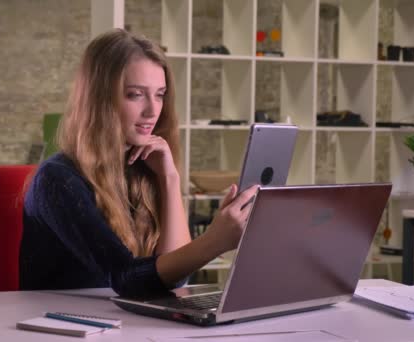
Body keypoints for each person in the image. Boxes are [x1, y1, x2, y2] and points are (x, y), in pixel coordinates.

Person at [19, 29, 258, 297]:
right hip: (64, 328)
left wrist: (169, 179)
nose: (153, 110)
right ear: (100, 100)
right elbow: (125, 278)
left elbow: (175, 280)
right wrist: (215, 242)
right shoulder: (57, 179)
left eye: (159, 94)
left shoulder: (145, 167)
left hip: (123, 324)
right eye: (135, 94)